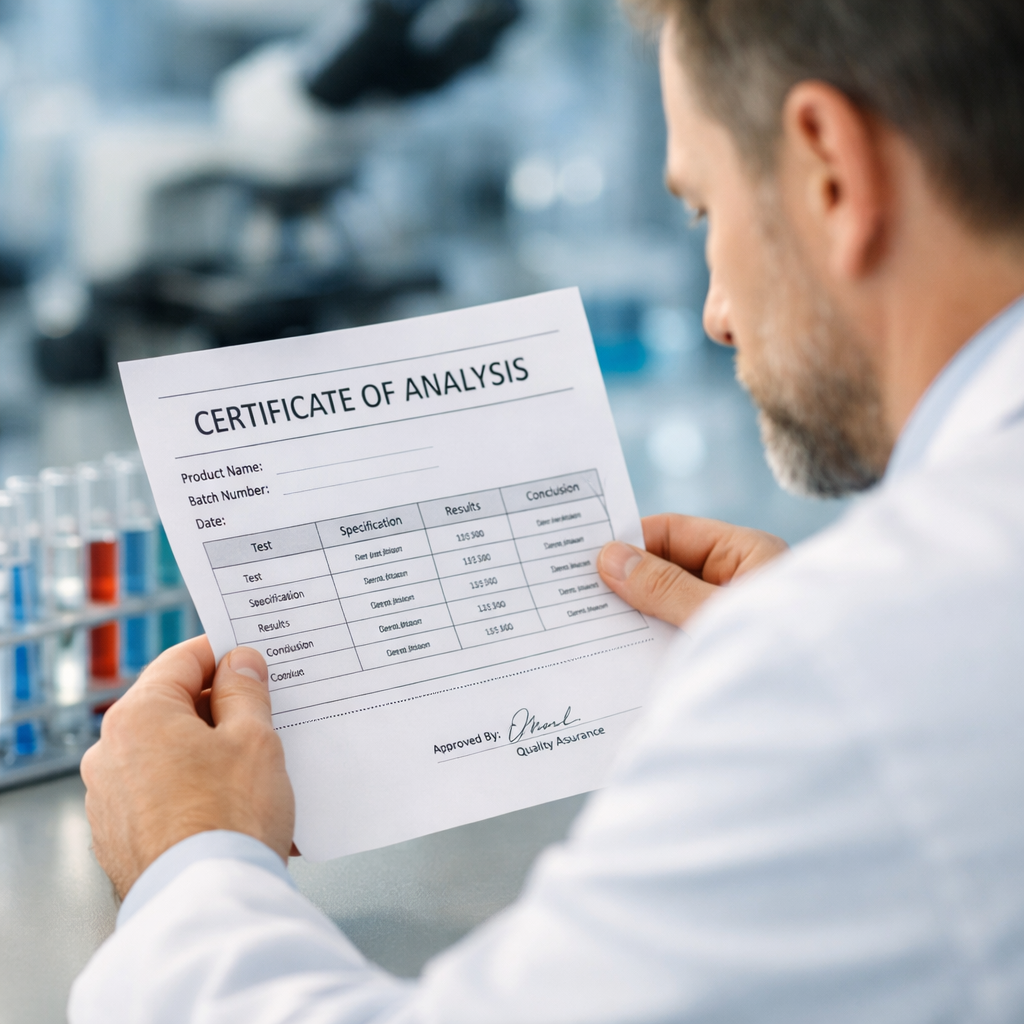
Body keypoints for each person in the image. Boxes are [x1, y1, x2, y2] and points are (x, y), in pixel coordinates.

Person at [71, 0, 1024, 1020]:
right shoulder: (916, 622)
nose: (715, 315)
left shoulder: (855, 661)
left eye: (706, 212)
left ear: (830, 169)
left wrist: (186, 856)